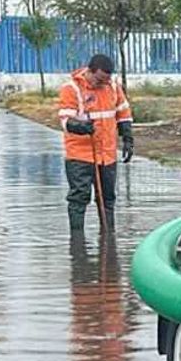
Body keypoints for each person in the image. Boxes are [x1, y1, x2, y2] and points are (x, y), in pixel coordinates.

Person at [58, 53, 134, 232]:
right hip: (80, 156)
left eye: (106, 80)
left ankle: (108, 236)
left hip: (107, 155)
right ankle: (77, 243)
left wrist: (128, 138)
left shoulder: (113, 87)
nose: (102, 84)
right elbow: (64, 120)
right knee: (79, 197)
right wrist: (79, 126)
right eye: (99, 80)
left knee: (107, 198)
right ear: (90, 72)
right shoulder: (72, 89)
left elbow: (123, 113)